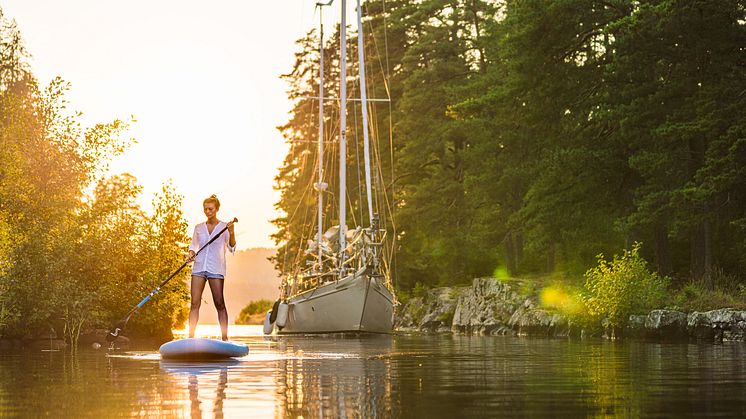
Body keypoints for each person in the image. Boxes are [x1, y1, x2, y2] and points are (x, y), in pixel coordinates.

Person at [186, 194, 236, 341]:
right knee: (194, 302)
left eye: (210, 209)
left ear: (216, 209)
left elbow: (232, 247)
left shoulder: (224, 227)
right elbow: (193, 245)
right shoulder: (199, 228)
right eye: (205, 209)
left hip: (216, 269)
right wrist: (191, 254)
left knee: (219, 303)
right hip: (199, 267)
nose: (208, 211)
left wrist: (231, 232)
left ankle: (225, 338)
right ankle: (190, 337)